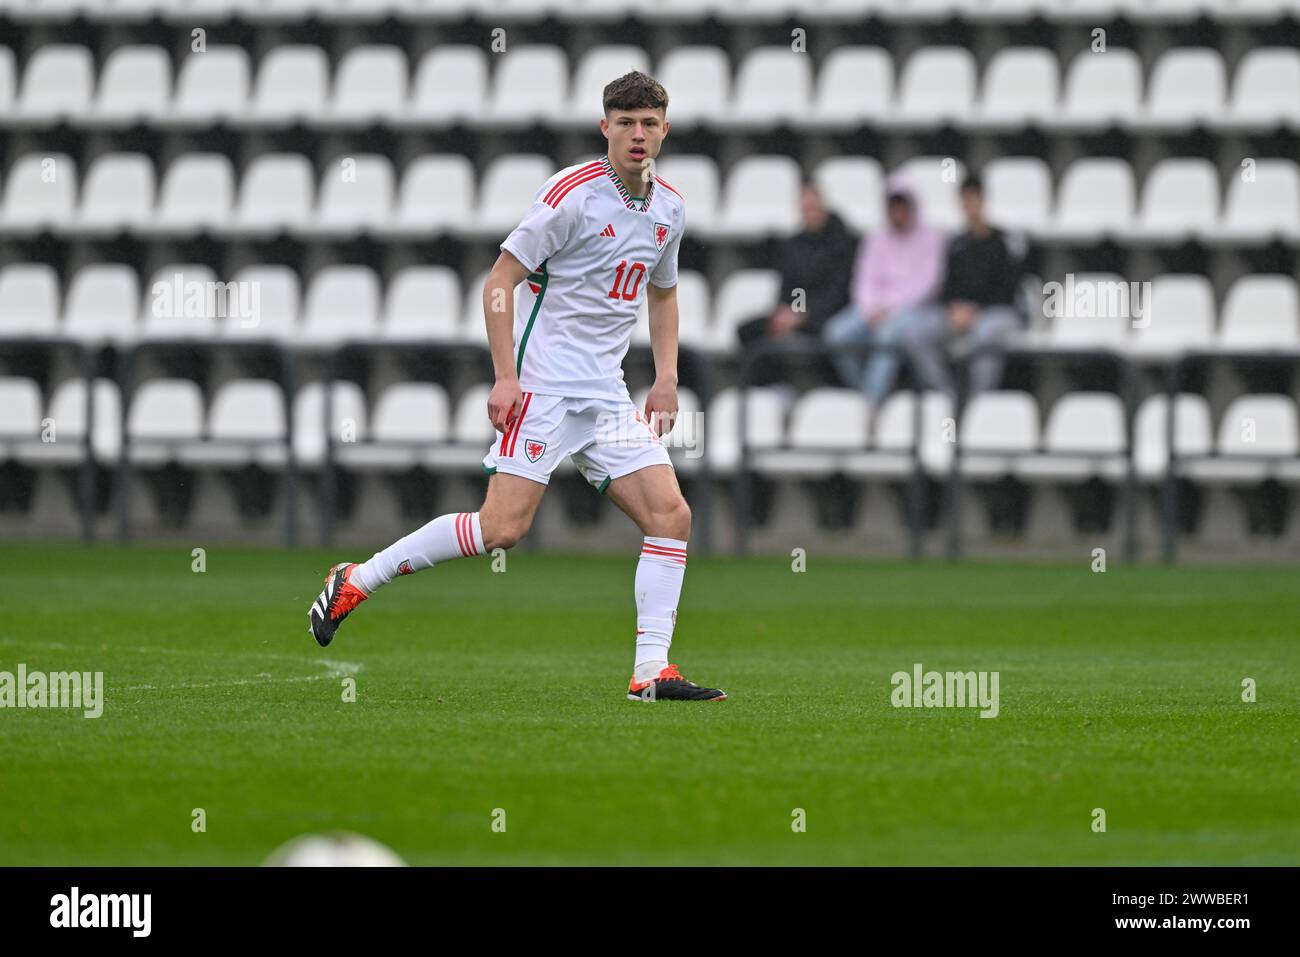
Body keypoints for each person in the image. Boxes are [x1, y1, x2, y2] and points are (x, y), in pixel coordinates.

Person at [305, 71, 726, 702]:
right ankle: (357, 579)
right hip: (545, 384)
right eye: (625, 122)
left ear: (665, 130)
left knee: (671, 515)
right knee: (501, 529)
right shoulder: (571, 196)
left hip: (605, 391)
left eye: (648, 123)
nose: (637, 135)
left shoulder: (670, 207)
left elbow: (662, 292)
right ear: (604, 127)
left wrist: (666, 378)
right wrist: (506, 376)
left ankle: (649, 672)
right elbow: (499, 280)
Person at [820, 180, 947, 403]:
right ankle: (865, 393)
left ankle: (871, 405)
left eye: (902, 206)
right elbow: (864, 279)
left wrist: (890, 310)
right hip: (873, 308)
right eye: (893, 206)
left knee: (886, 336)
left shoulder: (932, 238)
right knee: (836, 334)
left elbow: (927, 284)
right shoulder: (876, 239)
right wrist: (870, 308)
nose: (898, 212)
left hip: (915, 310)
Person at [906, 173, 1025, 399]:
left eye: (975, 199)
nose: (970, 205)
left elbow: (1009, 288)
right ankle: (946, 396)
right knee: (915, 334)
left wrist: (977, 310)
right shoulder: (956, 245)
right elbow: (947, 286)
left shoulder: (1003, 241)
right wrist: (953, 309)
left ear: (983, 200)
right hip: (960, 313)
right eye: (965, 200)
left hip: (997, 311)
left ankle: (979, 401)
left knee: (985, 334)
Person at [735, 181, 858, 389]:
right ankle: (773, 387)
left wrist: (804, 315)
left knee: (828, 334)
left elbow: (838, 292)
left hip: (828, 316)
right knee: (748, 329)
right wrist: (790, 312)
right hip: (799, 313)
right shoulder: (795, 245)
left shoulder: (843, 243)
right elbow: (793, 287)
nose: (810, 213)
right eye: (805, 208)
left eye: (814, 207)